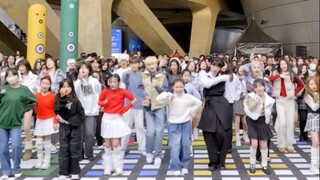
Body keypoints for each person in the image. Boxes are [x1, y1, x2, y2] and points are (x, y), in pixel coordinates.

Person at [156, 79, 202, 176]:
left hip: (186, 123)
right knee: (175, 145)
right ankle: (175, 166)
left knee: (186, 144)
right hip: (173, 124)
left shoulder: (188, 97)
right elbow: (158, 99)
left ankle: (185, 165)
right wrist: (168, 95)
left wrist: (192, 112)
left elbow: (199, 102)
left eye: (181, 87)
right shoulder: (170, 97)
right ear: (173, 87)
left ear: (184, 87)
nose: (179, 89)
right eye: (177, 87)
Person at [0, 68, 37, 179]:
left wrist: (24, 108)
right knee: (3, 148)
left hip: (15, 123)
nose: (11, 77)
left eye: (13, 75)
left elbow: (33, 100)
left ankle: (17, 168)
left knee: (17, 146)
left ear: (17, 76)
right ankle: (6, 171)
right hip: (2, 123)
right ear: (6, 78)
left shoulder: (24, 89)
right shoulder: (3, 88)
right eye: (8, 76)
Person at [198, 57, 232, 171]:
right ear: (210, 64)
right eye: (213, 65)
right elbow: (207, 84)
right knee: (209, 133)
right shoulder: (203, 75)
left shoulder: (224, 77)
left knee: (223, 133)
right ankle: (213, 161)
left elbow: (229, 91)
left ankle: (221, 160)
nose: (215, 68)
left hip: (222, 105)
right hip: (209, 105)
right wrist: (223, 76)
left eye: (218, 66)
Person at [99, 74, 136, 176]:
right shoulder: (105, 91)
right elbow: (99, 102)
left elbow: (134, 100)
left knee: (115, 144)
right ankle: (107, 167)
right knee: (107, 144)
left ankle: (118, 166)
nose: (112, 84)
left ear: (118, 82)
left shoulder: (123, 91)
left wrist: (124, 109)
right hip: (106, 118)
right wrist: (104, 103)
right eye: (110, 81)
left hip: (117, 118)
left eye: (114, 82)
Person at [269, 59, 304, 153]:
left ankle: (289, 144)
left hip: (290, 100)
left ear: (287, 65)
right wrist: (278, 75)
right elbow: (269, 80)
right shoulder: (275, 73)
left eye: (284, 64)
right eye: (281, 64)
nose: (283, 66)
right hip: (279, 100)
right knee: (282, 122)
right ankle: (281, 144)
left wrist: (294, 93)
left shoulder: (292, 74)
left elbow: (301, 84)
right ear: (279, 66)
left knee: (290, 123)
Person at [54, 79, 85, 180]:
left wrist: (72, 121)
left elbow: (81, 115)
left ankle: (75, 171)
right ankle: (64, 172)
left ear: (72, 88)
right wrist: (62, 98)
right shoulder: (58, 98)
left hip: (75, 128)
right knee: (63, 150)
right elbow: (57, 109)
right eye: (63, 87)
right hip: (63, 128)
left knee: (74, 150)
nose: (65, 89)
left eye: (68, 86)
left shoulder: (75, 100)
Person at [244, 79, 275, 174]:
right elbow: (248, 109)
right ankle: (252, 163)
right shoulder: (250, 96)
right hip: (252, 121)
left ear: (264, 87)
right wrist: (255, 103)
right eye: (256, 87)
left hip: (263, 121)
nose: (259, 88)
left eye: (261, 86)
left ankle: (264, 164)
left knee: (264, 144)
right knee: (254, 143)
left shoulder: (268, 98)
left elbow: (269, 111)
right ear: (253, 88)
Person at [141, 56, 168, 165]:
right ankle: (149, 152)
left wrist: (158, 87)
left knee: (159, 131)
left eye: (153, 64)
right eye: (149, 64)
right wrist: (144, 95)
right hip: (147, 107)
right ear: (146, 66)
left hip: (159, 106)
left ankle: (158, 154)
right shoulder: (142, 75)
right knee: (150, 132)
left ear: (157, 64)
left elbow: (165, 91)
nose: (151, 66)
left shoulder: (163, 76)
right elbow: (139, 88)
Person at [74, 61, 101, 161]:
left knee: (90, 133)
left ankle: (88, 153)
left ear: (89, 70)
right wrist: (78, 80)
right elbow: (74, 93)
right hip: (79, 112)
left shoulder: (94, 81)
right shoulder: (76, 82)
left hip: (91, 111)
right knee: (79, 134)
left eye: (85, 68)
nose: (83, 70)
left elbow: (100, 93)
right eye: (81, 68)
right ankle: (79, 153)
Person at [121, 56, 147, 155]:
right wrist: (127, 74)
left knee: (140, 127)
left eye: (135, 63)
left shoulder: (143, 75)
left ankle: (142, 148)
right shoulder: (126, 74)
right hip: (128, 104)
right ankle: (122, 148)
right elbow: (124, 80)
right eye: (131, 63)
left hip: (139, 104)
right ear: (129, 64)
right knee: (126, 126)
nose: (133, 65)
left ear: (139, 64)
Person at [33, 76, 58, 169]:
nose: (45, 85)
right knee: (39, 142)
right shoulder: (37, 96)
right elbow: (34, 108)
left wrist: (55, 121)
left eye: (47, 84)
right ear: (40, 84)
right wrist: (33, 97)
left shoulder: (52, 96)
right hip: (39, 120)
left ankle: (47, 161)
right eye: (43, 83)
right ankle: (39, 160)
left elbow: (55, 110)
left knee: (47, 142)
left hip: (49, 119)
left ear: (50, 85)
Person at [17, 59, 39, 160]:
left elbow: (35, 90)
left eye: (23, 66)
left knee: (26, 127)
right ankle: (17, 149)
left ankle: (28, 150)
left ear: (27, 66)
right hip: (16, 105)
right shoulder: (16, 77)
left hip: (28, 104)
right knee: (16, 128)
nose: (21, 68)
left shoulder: (34, 77)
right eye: (19, 66)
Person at [303, 76, 319, 175]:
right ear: (308, 85)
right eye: (311, 84)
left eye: (315, 83)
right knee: (315, 142)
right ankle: (313, 165)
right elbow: (313, 107)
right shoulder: (307, 95)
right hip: (313, 118)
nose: (314, 86)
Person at [233, 66, 249, 146]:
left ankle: (245, 134)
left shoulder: (247, 78)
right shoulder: (234, 78)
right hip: (237, 100)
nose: (241, 70)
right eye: (240, 69)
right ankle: (238, 138)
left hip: (245, 100)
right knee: (237, 119)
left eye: (243, 69)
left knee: (245, 120)